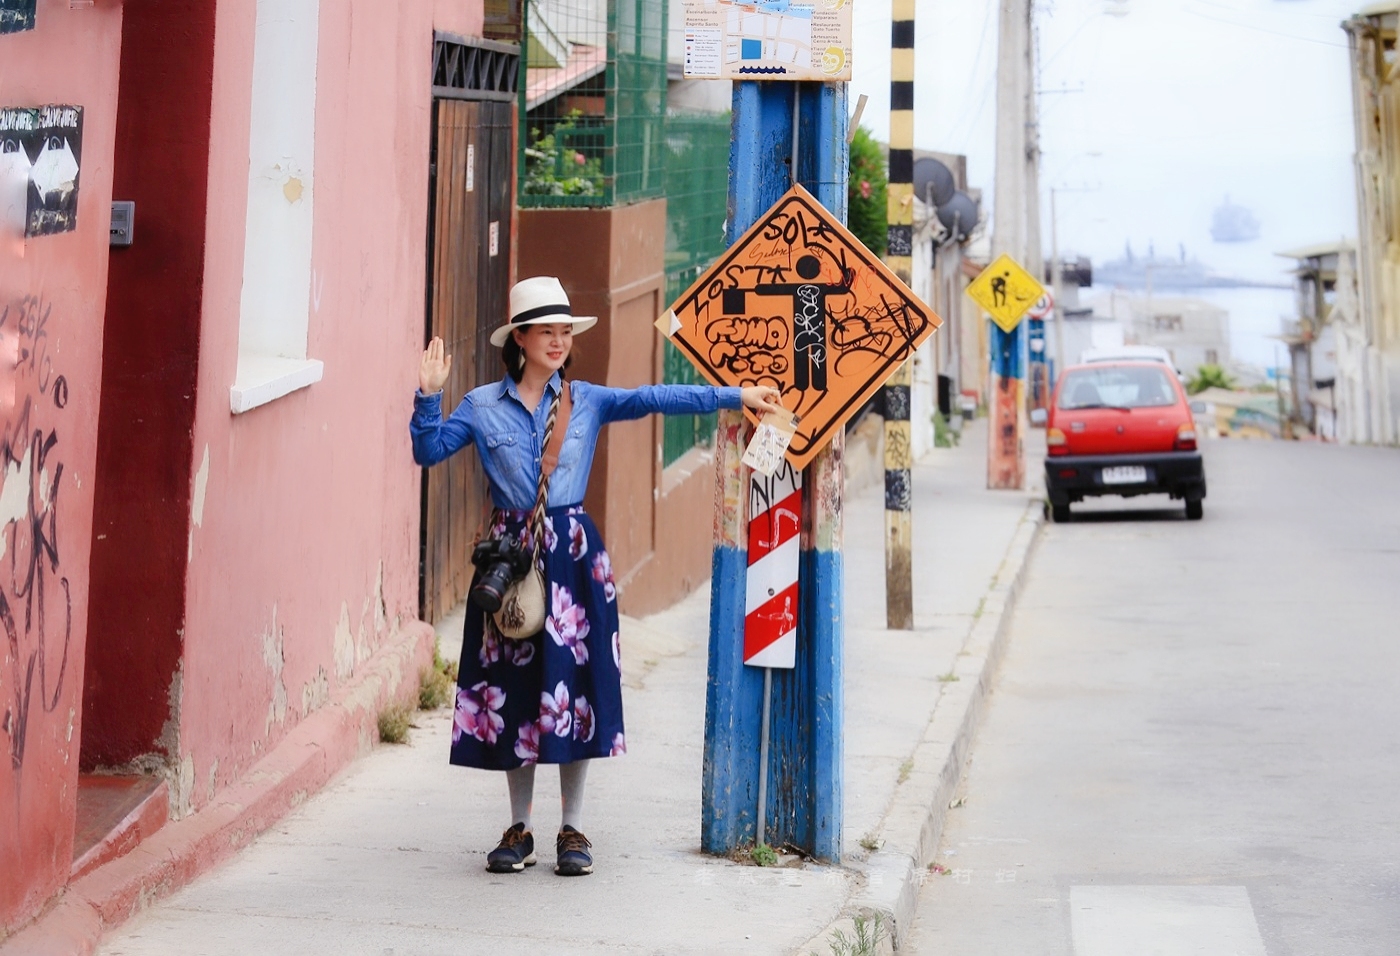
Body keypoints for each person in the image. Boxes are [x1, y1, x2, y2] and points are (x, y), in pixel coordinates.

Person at [410, 276, 784, 877]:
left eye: (566, 332)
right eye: (548, 332)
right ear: (521, 339)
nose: (559, 341)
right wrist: (428, 397)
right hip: (512, 565)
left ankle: (573, 829)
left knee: (572, 694)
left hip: (576, 562)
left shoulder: (587, 400)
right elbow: (428, 452)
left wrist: (734, 395)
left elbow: (655, 396)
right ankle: (519, 826)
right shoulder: (480, 406)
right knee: (514, 692)